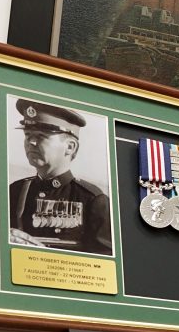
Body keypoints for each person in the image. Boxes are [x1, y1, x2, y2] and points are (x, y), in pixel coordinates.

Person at [8, 99, 112, 255]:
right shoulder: (15, 191)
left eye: (41, 136)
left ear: (70, 147)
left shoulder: (92, 199)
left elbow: (104, 265)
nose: (31, 142)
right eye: (28, 135)